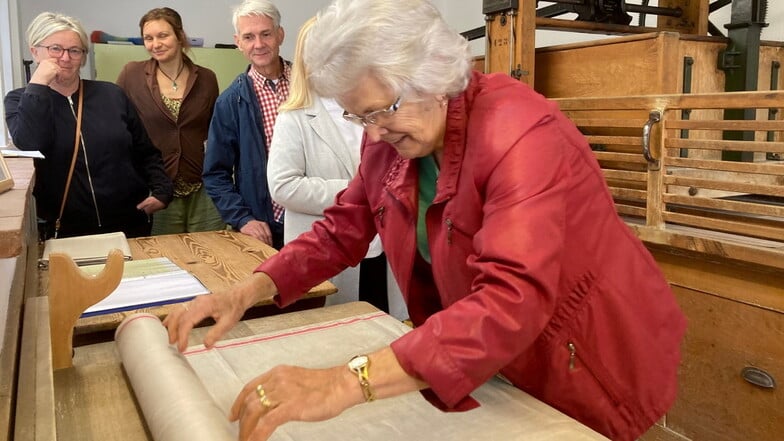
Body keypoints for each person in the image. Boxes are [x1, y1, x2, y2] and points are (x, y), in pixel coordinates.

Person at [165, 1, 687, 440]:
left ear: (434, 78)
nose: (372, 134)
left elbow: (512, 297)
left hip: (585, 359)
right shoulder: (395, 140)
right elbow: (341, 229)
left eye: (380, 111)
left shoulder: (521, 133)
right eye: (358, 117)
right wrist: (249, 289)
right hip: (496, 359)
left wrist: (344, 384)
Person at [267, 18, 406, 317]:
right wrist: (359, 192)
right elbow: (283, 186)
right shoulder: (294, 116)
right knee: (340, 333)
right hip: (328, 246)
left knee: (391, 329)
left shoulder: (378, 106)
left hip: (386, 246)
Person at [5, 12, 172, 239]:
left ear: (83, 56)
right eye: (55, 49)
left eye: (75, 50)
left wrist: (162, 191)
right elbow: (31, 143)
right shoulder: (20, 100)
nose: (65, 58)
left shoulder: (111, 94)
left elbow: (145, 150)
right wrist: (38, 85)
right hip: (67, 228)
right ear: (35, 51)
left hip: (130, 223)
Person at [117, 7, 224, 235]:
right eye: (149, 38)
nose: (156, 44)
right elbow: (117, 128)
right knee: (166, 260)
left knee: (210, 255)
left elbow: (215, 131)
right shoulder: (131, 75)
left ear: (180, 36)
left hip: (202, 187)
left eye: (163, 35)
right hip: (157, 190)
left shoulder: (207, 78)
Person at [202, 0, 289, 249]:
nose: (258, 44)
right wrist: (243, 219)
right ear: (238, 42)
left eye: (266, 34)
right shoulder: (230, 101)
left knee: (322, 289)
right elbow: (215, 174)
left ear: (280, 35)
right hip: (266, 228)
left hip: (314, 220)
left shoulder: (309, 86)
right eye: (249, 37)